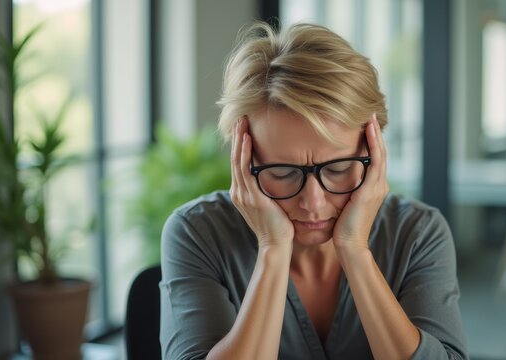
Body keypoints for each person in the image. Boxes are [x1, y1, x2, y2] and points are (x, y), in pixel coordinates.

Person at [160, 21, 467, 360]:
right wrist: (273, 249)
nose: (312, 202)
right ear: (244, 161)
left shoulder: (418, 234)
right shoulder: (197, 233)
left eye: (337, 169)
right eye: (281, 172)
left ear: (373, 151)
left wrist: (354, 250)